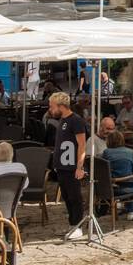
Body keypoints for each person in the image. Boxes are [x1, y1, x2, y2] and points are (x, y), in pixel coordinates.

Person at [49, 91, 88, 236]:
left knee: (74, 197)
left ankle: (78, 225)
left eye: (52, 106)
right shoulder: (63, 121)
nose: (50, 109)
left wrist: (79, 167)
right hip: (62, 166)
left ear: (61, 106)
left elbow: (82, 145)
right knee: (66, 196)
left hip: (71, 166)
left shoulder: (76, 121)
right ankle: (72, 224)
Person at [101, 129, 133, 219]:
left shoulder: (106, 152)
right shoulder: (130, 152)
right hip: (129, 189)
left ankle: (122, 206)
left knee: (131, 179)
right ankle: (132, 210)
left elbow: (104, 171)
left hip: (112, 189)